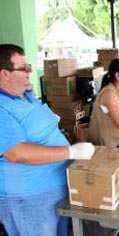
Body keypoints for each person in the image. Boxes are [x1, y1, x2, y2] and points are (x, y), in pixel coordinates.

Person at [0, 44, 95, 236]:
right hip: (29, 198)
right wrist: (71, 152)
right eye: (23, 68)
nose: (29, 72)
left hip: (56, 187)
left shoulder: (25, 95)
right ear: (4, 74)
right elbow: (16, 152)